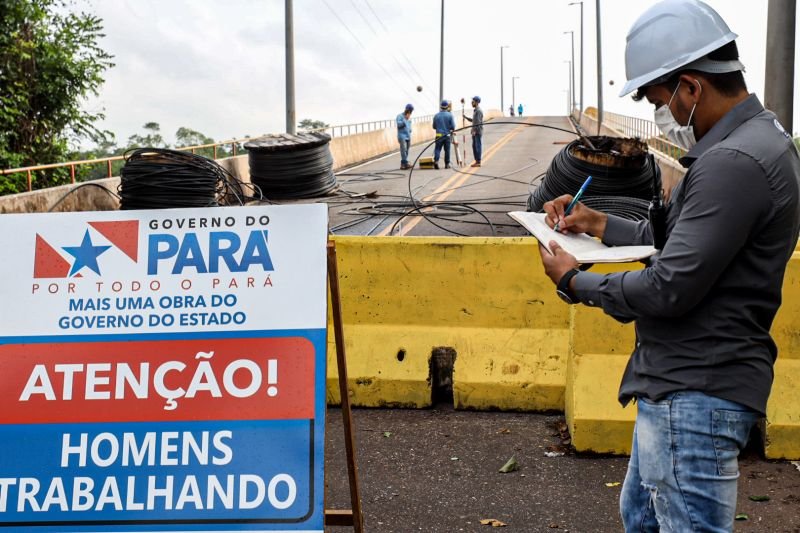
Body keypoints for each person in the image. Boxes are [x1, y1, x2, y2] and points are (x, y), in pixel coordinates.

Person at [536, 0, 800, 531]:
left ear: (691, 86)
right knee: (642, 518)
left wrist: (573, 279)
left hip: (695, 395)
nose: (664, 115)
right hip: (685, 387)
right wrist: (596, 222)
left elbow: (667, 287)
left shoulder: (732, 164)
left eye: (661, 100)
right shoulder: (756, 145)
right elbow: (683, 244)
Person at [432, 99, 456, 170]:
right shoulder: (450, 115)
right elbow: (453, 127)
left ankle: (436, 161)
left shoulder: (436, 115)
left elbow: (434, 126)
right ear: (447, 106)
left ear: (441, 106)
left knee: (437, 149)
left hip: (439, 135)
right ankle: (447, 164)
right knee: (447, 150)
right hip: (447, 135)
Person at [463, 96, 484, 167]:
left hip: (477, 132)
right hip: (475, 132)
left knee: (477, 146)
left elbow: (478, 123)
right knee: (474, 146)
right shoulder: (475, 111)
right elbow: (474, 121)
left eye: (473, 101)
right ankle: (477, 161)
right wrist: (466, 118)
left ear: (477, 102)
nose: (472, 102)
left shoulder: (478, 111)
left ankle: (478, 161)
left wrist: (475, 131)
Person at [396, 103, 414, 170]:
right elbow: (398, 125)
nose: (410, 113)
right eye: (410, 111)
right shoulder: (400, 116)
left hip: (408, 136)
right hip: (402, 136)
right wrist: (404, 120)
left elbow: (409, 128)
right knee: (403, 150)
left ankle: (404, 163)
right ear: (407, 110)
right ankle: (404, 163)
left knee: (407, 150)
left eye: (411, 111)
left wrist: (410, 129)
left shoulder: (409, 119)